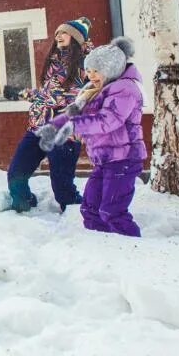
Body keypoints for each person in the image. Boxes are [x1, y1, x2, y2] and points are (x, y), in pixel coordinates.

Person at [35, 36, 146, 237]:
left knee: (112, 211)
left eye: (97, 71)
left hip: (124, 159)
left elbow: (108, 120)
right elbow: (72, 112)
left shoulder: (125, 89)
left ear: (111, 69)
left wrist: (72, 127)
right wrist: (53, 126)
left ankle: (134, 251)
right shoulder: (93, 91)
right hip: (105, 160)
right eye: (89, 71)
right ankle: (103, 248)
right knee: (90, 210)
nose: (91, 76)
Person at [5, 17, 92, 213]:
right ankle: (23, 204)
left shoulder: (88, 64)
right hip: (39, 127)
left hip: (64, 133)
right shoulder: (54, 64)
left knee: (63, 190)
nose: (58, 36)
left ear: (76, 38)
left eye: (64, 32)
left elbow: (87, 95)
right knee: (15, 174)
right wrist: (20, 93)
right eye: (57, 33)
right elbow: (46, 95)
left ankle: (81, 218)